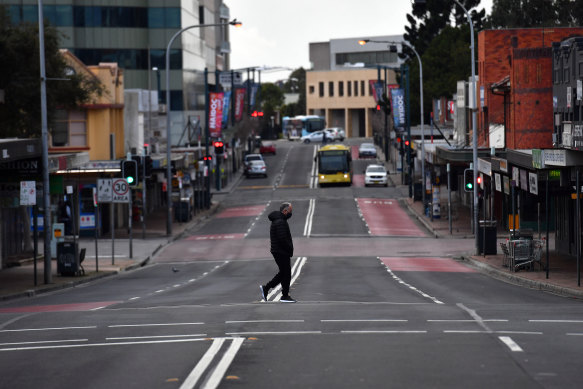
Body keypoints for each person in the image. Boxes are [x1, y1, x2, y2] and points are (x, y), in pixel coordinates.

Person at [260, 202, 296, 303]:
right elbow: (282, 239)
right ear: (285, 211)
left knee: (283, 273)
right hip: (281, 251)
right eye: (290, 211)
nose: (291, 213)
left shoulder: (279, 220)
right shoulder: (280, 221)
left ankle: (268, 289)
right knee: (286, 273)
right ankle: (284, 295)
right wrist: (289, 249)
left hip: (279, 251)